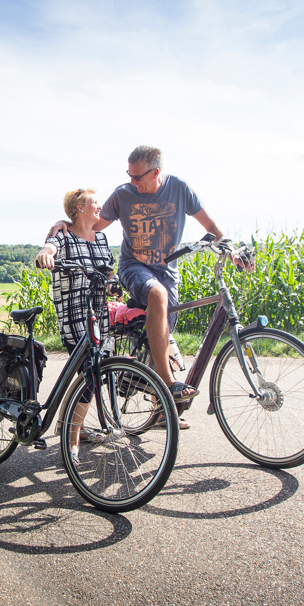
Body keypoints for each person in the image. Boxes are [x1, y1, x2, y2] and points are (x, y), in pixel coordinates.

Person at [47, 146, 224, 429]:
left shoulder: (179, 189)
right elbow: (91, 225)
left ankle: (158, 411)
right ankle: (168, 384)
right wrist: (65, 223)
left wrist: (230, 248)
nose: (132, 181)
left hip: (167, 272)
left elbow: (210, 226)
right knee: (157, 294)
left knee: (162, 336)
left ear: (155, 173)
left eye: (137, 176)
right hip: (133, 267)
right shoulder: (123, 195)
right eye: (129, 174)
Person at [36, 188, 115, 464]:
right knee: (90, 374)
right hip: (75, 315)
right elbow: (51, 246)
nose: (100, 207)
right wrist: (46, 253)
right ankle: (72, 441)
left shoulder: (101, 238)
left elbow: (108, 270)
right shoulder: (64, 234)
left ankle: (69, 424)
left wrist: (113, 283)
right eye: (95, 202)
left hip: (99, 315)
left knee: (96, 373)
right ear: (80, 208)